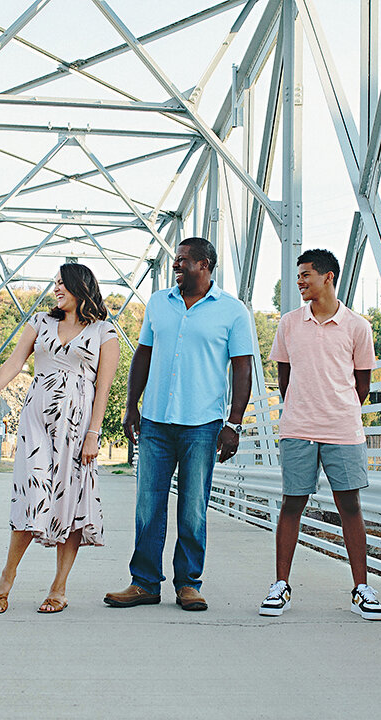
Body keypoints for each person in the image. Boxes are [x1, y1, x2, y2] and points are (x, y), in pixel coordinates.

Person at [105, 237, 253, 612]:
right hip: (155, 420)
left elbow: (242, 368)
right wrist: (130, 407)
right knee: (147, 506)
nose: (176, 265)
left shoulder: (233, 312)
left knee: (193, 507)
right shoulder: (158, 303)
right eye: (175, 260)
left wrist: (234, 423)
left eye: (183, 260)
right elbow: (143, 354)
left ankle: (188, 584)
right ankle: (144, 583)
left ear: (204, 265)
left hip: (203, 424)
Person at [0, 263, 119, 614]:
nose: (56, 289)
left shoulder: (103, 331)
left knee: (71, 500)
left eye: (62, 284)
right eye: (54, 284)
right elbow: (14, 363)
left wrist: (94, 434)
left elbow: (104, 388)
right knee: (31, 494)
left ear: (80, 287)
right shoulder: (40, 322)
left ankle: (59, 587)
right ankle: (6, 579)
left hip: (79, 424)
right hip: (37, 418)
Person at [258, 249, 381, 620]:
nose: (299, 281)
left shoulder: (358, 327)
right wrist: (303, 408)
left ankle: (361, 589)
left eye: (306, 275)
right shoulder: (288, 323)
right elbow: (284, 378)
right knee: (291, 503)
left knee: (350, 507)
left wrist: (336, 409)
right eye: (299, 275)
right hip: (298, 428)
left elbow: (361, 383)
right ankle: (280, 586)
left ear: (328, 277)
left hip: (343, 431)